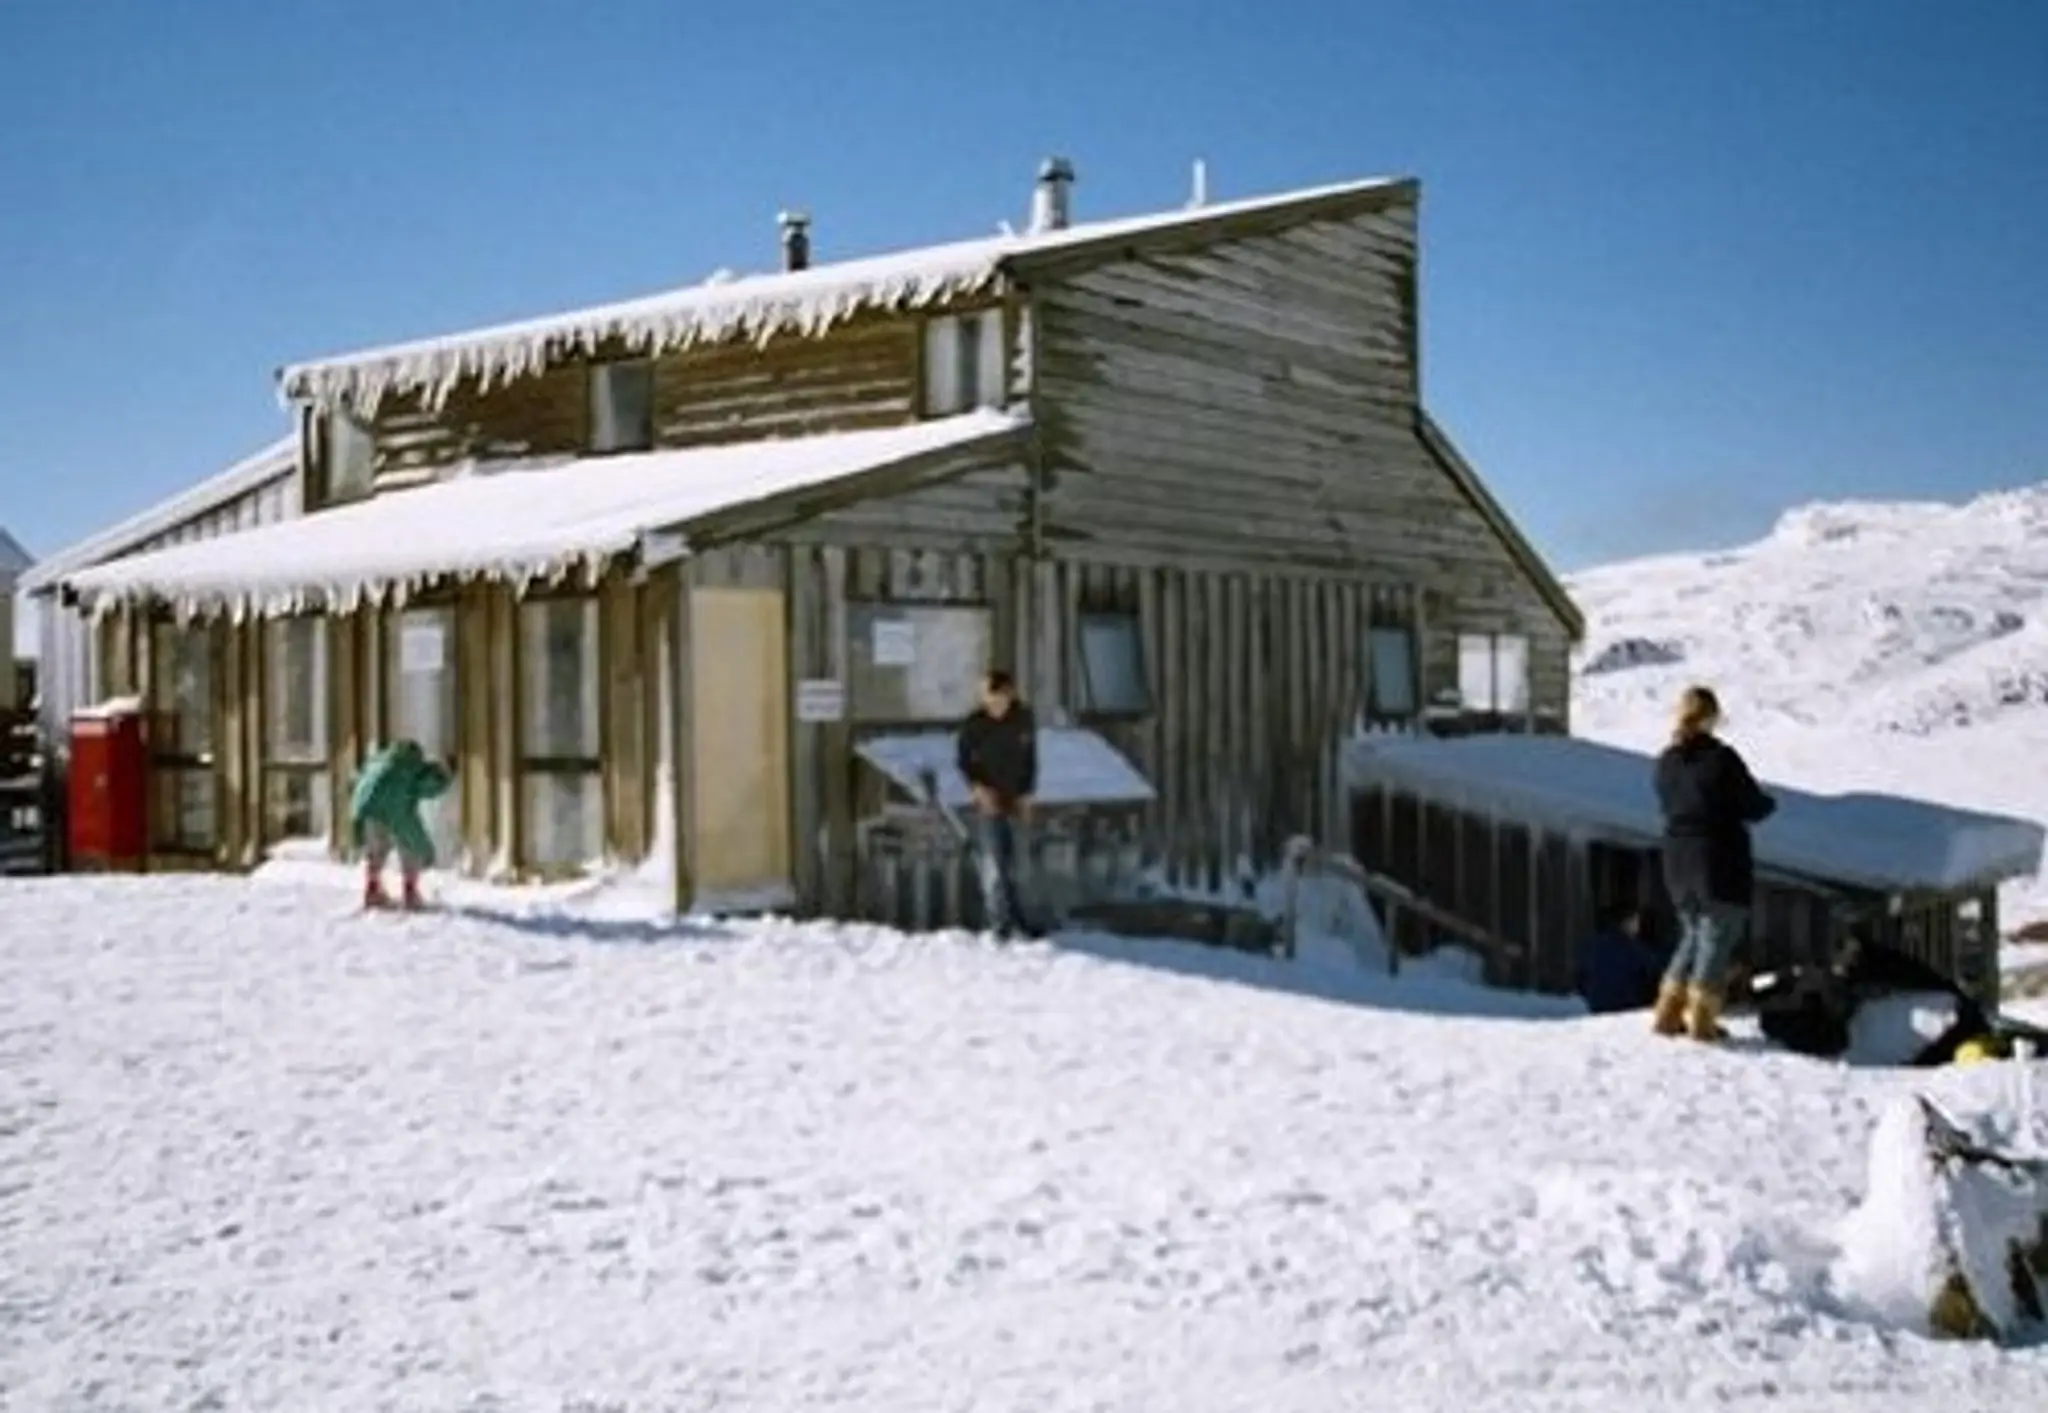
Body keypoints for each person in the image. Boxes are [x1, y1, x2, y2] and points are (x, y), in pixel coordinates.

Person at [1651, 685, 1776, 1041]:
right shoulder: (1721, 758)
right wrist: (1768, 803)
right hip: (1717, 857)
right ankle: (1702, 1019)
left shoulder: (1666, 761)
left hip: (1677, 857)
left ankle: (1668, 1011)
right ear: (1711, 717)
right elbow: (1752, 804)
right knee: (1717, 936)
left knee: (1691, 933)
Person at [955, 670, 1039, 939]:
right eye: (989, 698)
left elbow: (1030, 759)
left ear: (1009, 694)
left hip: (1015, 796)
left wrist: (1027, 795)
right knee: (994, 863)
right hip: (989, 799)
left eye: (999, 697)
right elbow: (963, 761)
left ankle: (1020, 920)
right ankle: (998, 924)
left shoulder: (1022, 719)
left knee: (1017, 863)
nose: (994, 703)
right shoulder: (975, 724)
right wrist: (978, 789)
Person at [348, 738, 455, 911]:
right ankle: (410, 892)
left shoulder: (378, 762)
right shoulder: (412, 766)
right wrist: (447, 775)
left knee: (376, 850)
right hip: (397, 809)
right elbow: (429, 786)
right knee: (410, 846)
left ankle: (372, 889)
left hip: (367, 807)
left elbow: (357, 780)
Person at [1574, 906, 1665, 1015]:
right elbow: (1655, 969)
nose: (1638, 926)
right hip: (1625, 1004)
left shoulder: (1591, 945)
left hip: (1596, 1004)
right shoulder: (1633, 947)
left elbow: (1580, 977)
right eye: (1635, 921)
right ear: (1626, 923)